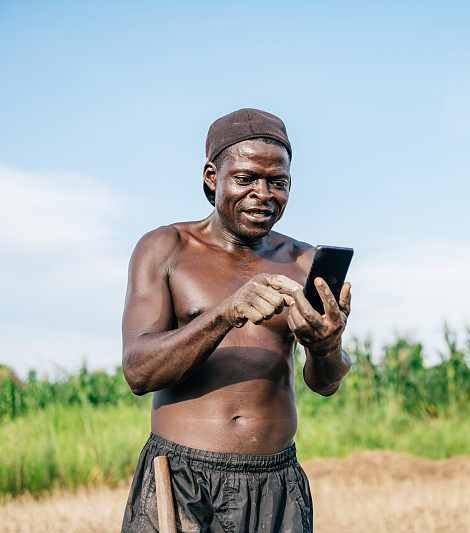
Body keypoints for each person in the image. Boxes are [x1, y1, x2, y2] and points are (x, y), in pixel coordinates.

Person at [119, 108, 352, 533]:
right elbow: (138, 371)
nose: (263, 193)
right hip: (182, 479)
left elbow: (326, 383)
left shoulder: (303, 261)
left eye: (277, 182)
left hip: (276, 485)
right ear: (213, 177)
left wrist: (326, 347)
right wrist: (226, 313)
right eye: (246, 179)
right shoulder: (166, 248)